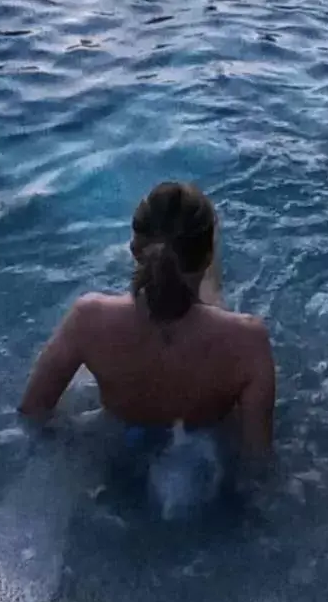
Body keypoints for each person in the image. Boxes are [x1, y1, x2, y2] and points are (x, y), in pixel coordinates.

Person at [18, 181, 276, 460]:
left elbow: (32, 412)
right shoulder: (248, 341)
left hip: (114, 442)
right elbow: (256, 458)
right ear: (208, 256)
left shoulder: (87, 319)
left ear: (134, 249)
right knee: (211, 299)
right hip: (201, 446)